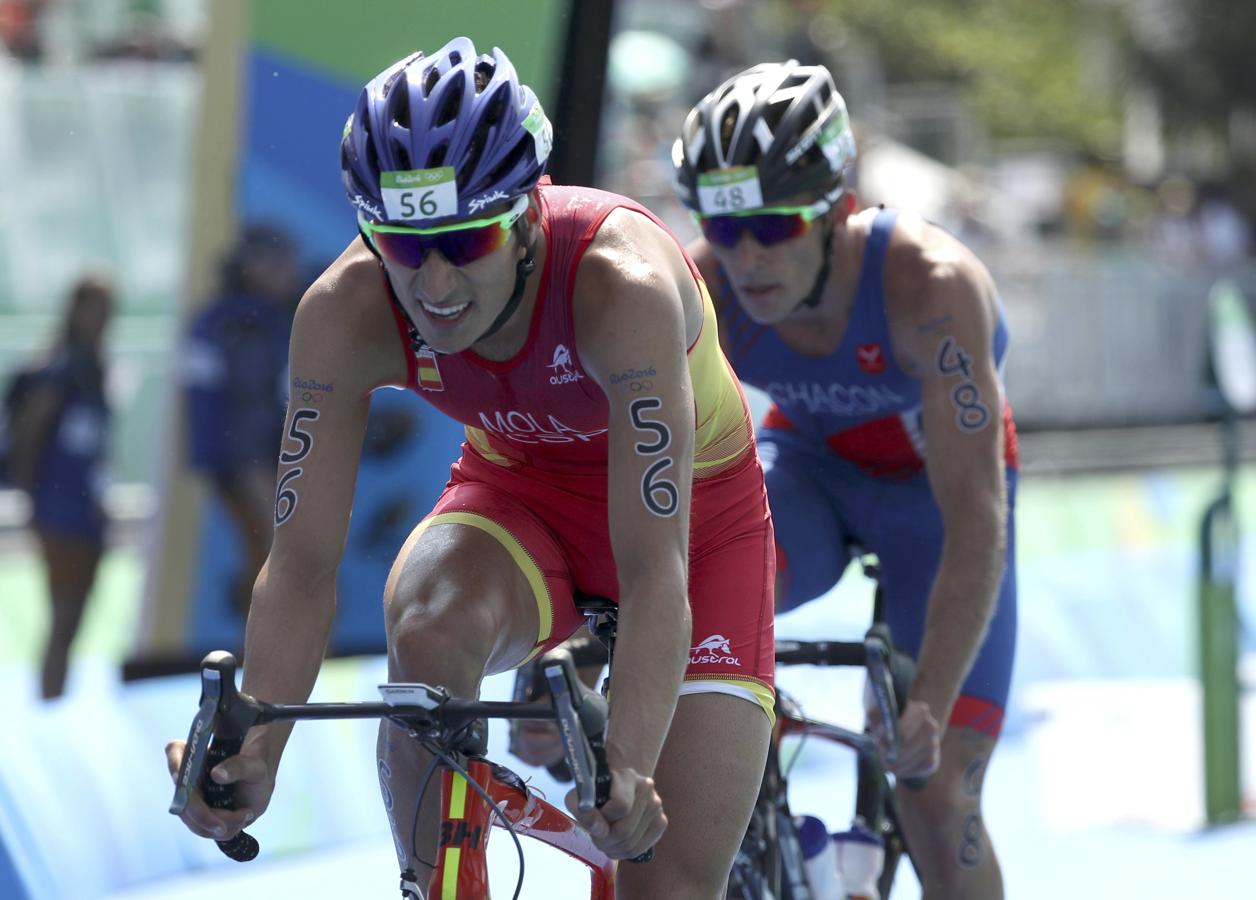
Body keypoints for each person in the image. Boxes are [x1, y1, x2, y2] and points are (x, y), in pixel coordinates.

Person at [165, 37, 775, 898]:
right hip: (520, 492)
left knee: (662, 880)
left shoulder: (619, 286)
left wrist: (627, 768)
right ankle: (440, 883)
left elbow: (654, 568)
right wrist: (257, 746)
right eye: (405, 245)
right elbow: (301, 565)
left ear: (528, 211)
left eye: (466, 238)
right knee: (428, 625)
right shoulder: (344, 313)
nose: (437, 281)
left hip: (696, 527)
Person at [673, 61, 1018, 898]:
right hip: (811, 476)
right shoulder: (699, 288)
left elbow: (976, 519)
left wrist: (928, 702)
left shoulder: (931, 286)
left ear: (838, 210)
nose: (748, 256)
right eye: (725, 227)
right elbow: (647, 487)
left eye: (775, 227)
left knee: (936, 793)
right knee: (686, 593)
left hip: (938, 509)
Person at [181, 223, 299, 617]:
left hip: (248, 458)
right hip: (252, 459)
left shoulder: (250, 318)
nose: (289, 273)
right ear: (252, 268)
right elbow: (248, 402)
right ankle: (285, 655)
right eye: (279, 264)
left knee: (265, 557)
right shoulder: (239, 322)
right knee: (281, 557)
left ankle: (269, 656)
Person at [5, 274, 114, 699]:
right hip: (59, 504)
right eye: (96, 308)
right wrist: (31, 496)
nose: (103, 320)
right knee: (64, 612)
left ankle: (55, 697)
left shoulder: (91, 365)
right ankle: (49, 703)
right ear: (76, 309)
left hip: (85, 504)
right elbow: (30, 433)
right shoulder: (60, 366)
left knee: (76, 612)